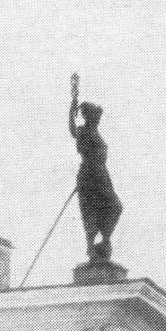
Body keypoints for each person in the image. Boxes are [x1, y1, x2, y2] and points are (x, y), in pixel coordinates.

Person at [68, 74, 122, 264]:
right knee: (91, 211)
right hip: (90, 175)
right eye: (95, 116)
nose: (98, 119)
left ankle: (104, 241)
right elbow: (72, 129)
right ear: (89, 117)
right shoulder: (84, 131)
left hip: (102, 175)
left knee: (115, 207)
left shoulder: (95, 132)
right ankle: (92, 245)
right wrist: (73, 103)